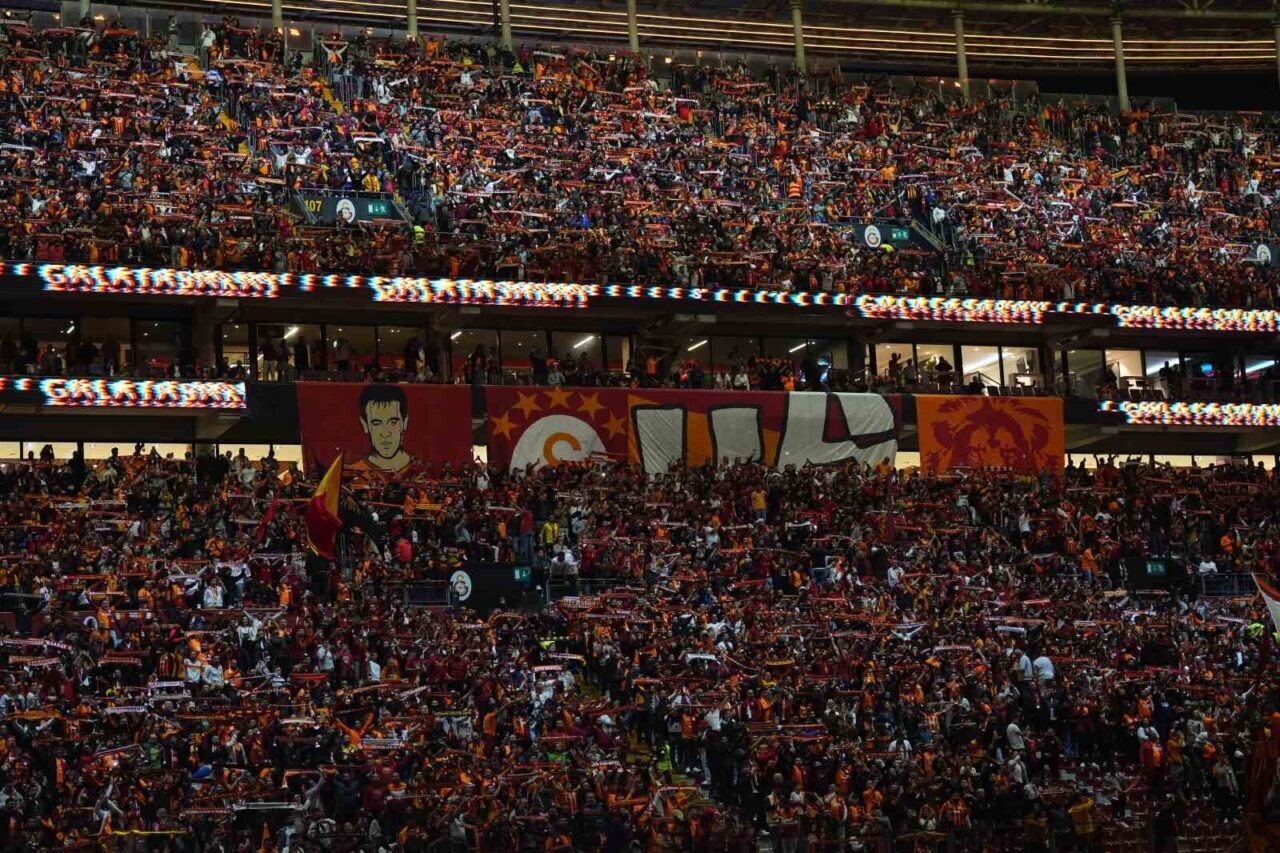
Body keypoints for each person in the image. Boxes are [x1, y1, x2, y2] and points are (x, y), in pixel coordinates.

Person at [352, 383, 416, 472]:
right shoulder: (355, 472)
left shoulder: (421, 471)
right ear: (365, 425)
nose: (385, 434)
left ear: (404, 422)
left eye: (393, 422)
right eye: (376, 423)